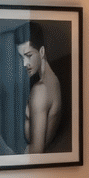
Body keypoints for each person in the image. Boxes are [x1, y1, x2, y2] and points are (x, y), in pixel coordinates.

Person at [16, 23, 63, 153]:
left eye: (29, 55)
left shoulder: (40, 90)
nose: (25, 63)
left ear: (42, 51)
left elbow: (36, 151)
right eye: (21, 57)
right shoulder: (53, 80)